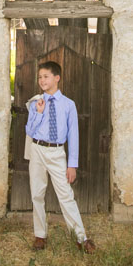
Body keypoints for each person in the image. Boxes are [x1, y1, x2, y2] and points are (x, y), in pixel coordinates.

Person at [25, 60, 96, 253]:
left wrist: (72, 164)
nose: (41, 80)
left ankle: (81, 238)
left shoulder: (68, 105)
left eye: (46, 76)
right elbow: (29, 130)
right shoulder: (35, 102)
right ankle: (40, 235)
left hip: (57, 152)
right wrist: (39, 113)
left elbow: (73, 136)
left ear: (57, 78)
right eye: (39, 77)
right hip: (38, 150)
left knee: (66, 195)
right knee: (37, 194)